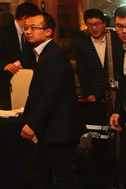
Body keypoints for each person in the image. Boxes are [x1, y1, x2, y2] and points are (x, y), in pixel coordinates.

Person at [20, 11, 83, 189]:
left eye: (34, 28)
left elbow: (50, 95)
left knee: (66, 177)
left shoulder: (53, 55)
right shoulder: (42, 54)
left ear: (48, 32)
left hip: (59, 130)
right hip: (49, 129)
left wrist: (33, 123)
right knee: (40, 174)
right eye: (26, 28)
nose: (28, 31)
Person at [0, 1, 37, 109]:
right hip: (4, 87)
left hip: (25, 86)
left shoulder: (30, 34)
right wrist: (4, 65)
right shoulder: (2, 31)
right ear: (25, 18)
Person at [76, 8, 122, 102]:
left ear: (104, 24)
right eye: (90, 25)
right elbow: (82, 72)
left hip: (118, 92)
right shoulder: (82, 45)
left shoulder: (116, 41)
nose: (94, 28)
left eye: (97, 24)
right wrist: (88, 93)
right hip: (95, 94)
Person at [110, 5, 126, 189]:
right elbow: (122, 84)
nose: (124, 31)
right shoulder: (121, 50)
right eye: (120, 26)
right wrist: (117, 110)